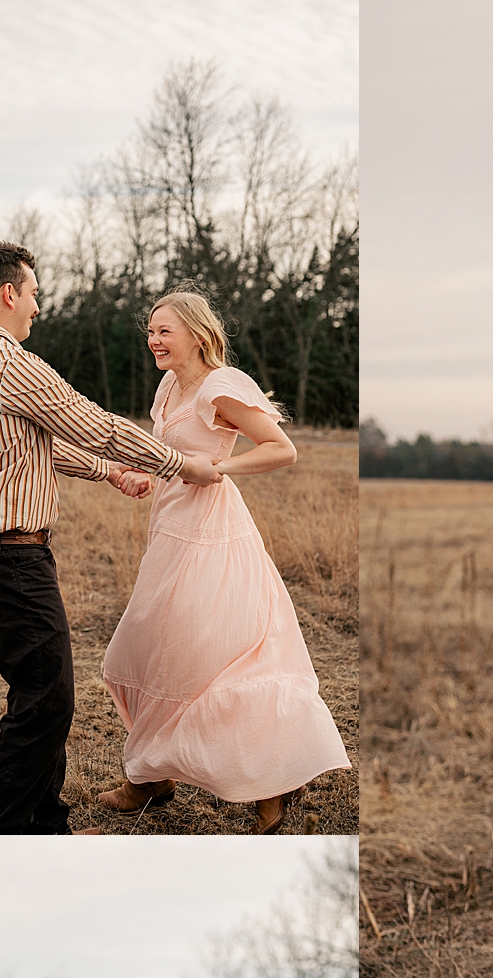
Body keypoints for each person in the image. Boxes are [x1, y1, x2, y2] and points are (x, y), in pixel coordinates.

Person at [0, 242, 221, 836]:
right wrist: (177, 464)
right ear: (9, 294)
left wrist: (108, 472)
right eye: (34, 293)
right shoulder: (11, 364)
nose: (37, 305)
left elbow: (25, 446)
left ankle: (46, 829)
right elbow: (95, 424)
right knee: (47, 699)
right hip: (7, 555)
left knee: (40, 690)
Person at [97, 290, 351, 834]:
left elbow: (281, 448)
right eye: (151, 330)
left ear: (195, 332)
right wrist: (152, 473)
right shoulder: (170, 384)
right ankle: (152, 776)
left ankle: (272, 785)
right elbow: (173, 452)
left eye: (164, 331)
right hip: (170, 526)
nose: (153, 340)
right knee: (150, 645)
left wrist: (217, 469)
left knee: (214, 654)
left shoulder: (219, 385)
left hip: (212, 530)